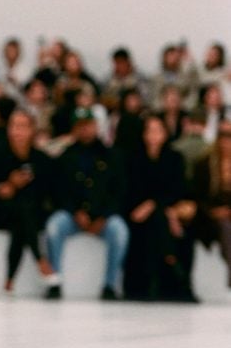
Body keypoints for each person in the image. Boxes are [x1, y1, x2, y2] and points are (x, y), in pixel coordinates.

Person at [44, 107, 129, 300]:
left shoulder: (112, 156)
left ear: (96, 126)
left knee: (120, 231)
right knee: (54, 227)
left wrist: (103, 216)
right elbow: (58, 190)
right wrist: (75, 212)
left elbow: (119, 191)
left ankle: (109, 285)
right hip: (73, 215)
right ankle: (54, 281)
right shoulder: (66, 157)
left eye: (89, 125)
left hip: (103, 217)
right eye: (80, 126)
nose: (85, 130)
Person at [0, 108, 54, 292]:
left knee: (22, 214)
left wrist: (17, 186)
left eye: (23, 126)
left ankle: (9, 280)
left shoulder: (41, 160)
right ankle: (40, 261)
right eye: (14, 126)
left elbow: (46, 193)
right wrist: (5, 186)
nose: (18, 131)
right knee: (23, 210)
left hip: (27, 214)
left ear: (32, 129)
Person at [123, 115, 197, 302]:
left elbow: (178, 190)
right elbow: (130, 192)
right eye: (149, 130)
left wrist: (156, 205)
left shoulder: (174, 158)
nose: (153, 135)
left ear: (165, 134)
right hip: (137, 213)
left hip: (164, 212)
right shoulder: (133, 159)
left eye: (158, 130)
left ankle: (162, 273)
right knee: (156, 222)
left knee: (159, 220)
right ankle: (175, 270)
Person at [192, 119, 231, 288]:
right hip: (209, 218)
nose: (226, 140)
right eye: (222, 135)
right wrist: (213, 212)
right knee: (225, 226)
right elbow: (197, 195)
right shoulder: (204, 163)